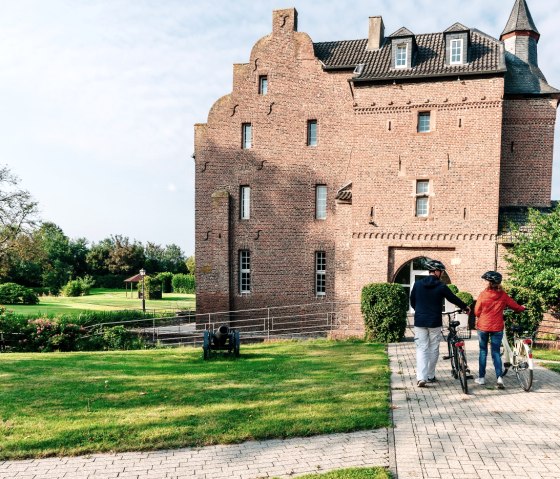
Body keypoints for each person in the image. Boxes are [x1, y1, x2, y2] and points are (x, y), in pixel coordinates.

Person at [410, 260, 471, 387]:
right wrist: (465, 307)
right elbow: (452, 298)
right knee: (433, 348)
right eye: (441, 271)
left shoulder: (418, 284)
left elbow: (412, 301)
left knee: (422, 349)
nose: (442, 274)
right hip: (434, 322)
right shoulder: (441, 286)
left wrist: (420, 311)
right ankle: (430, 375)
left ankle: (421, 377)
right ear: (436, 272)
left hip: (420, 321)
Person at [474, 271, 526, 389]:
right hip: (497, 327)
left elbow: (476, 312)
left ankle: (481, 378)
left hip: (483, 326)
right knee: (496, 352)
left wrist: (483, 315)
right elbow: (515, 306)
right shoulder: (503, 295)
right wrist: (521, 308)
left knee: (483, 351)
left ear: (489, 283)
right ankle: (499, 378)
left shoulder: (483, 294)